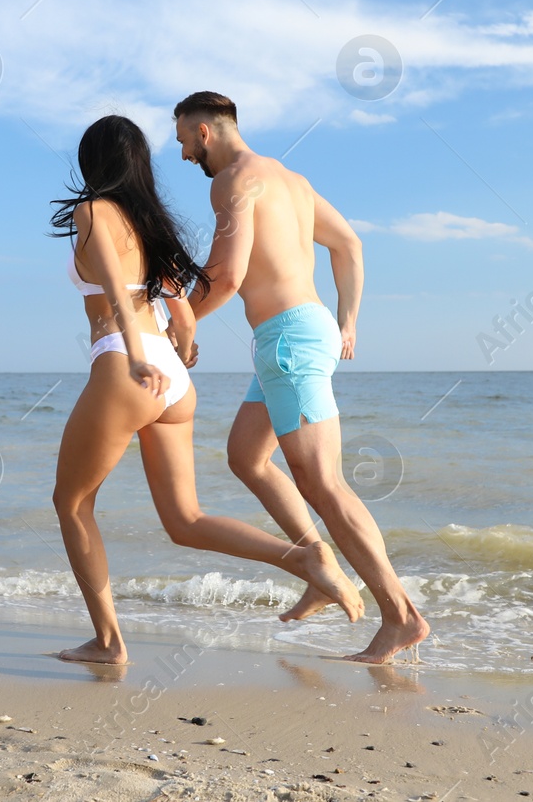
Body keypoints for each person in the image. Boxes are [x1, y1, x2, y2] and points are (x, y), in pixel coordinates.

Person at [49, 115, 363, 665]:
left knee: (71, 502)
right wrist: (178, 352)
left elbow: (118, 297)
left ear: (90, 160)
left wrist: (138, 354)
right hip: (173, 380)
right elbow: (184, 317)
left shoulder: (93, 211)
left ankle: (108, 642)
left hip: (128, 364)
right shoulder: (150, 225)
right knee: (184, 522)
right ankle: (307, 558)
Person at [173, 91, 429, 664]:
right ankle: (318, 564)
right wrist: (346, 320)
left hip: (289, 339)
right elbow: (350, 244)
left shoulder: (233, 180)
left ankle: (401, 616)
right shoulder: (292, 180)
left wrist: (181, 320)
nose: (185, 155)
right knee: (246, 456)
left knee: (325, 485)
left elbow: (229, 273)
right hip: (300, 333)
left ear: (205, 132)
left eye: (185, 141)